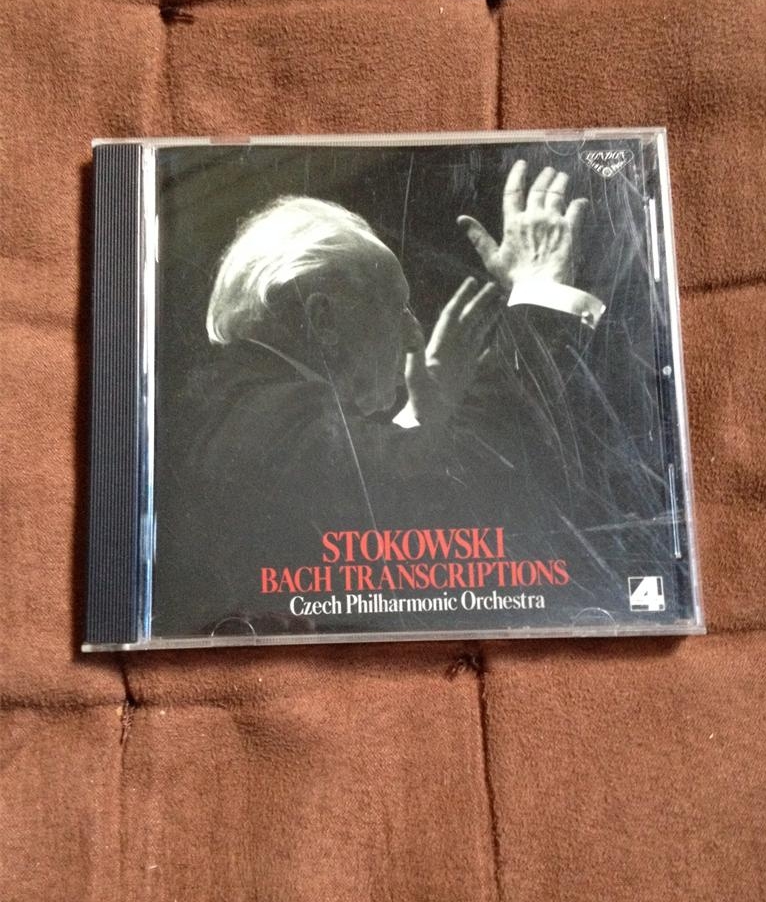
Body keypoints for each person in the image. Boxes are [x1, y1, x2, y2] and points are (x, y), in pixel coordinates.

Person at [152, 163, 603, 636]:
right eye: (396, 307)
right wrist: (543, 291)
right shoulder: (270, 421)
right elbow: (481, 485)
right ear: (323, 320)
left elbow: (356, 485)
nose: (414, 333)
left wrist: (420, 424)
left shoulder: (238, 405)